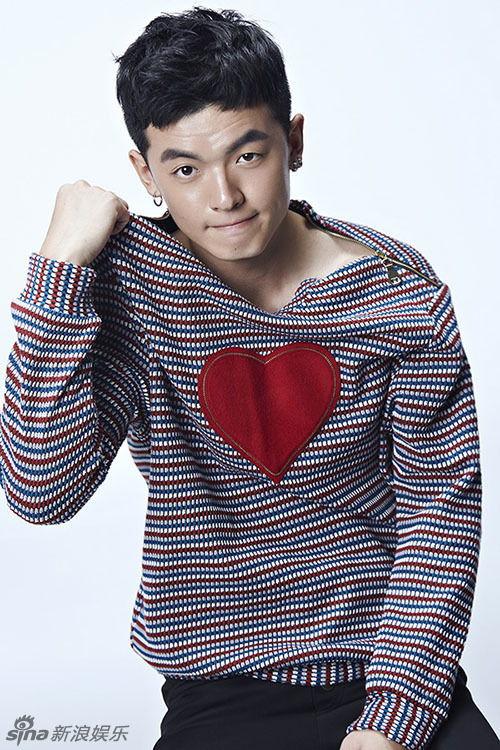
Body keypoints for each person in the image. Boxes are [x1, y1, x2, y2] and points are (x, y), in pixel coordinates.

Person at [0, 6, 498, 750]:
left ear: (293, 141)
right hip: (221, 688)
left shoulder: (397, 293)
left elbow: (439, 511)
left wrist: (393, 720)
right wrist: (58, 270)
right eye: (186, 169)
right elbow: (41, 492)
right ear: (145, 173)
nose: (224, 196)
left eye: (248, 155)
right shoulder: (134, 289)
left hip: (394, 667)